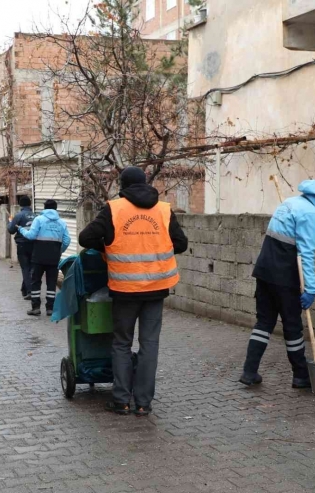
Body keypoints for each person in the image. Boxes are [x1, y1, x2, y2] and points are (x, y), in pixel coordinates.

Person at [79, 167, 188, 417]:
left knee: (121, 343)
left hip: (125, 289)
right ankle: (143, 403)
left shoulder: (114, 209)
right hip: (156, 289)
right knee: (150, 344)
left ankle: (121, 401)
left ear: (123, 185)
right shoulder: (163, 209)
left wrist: (109, 244)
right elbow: (181, 243)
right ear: (145, 183)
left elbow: (86, 238)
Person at [240, 180, 315, 389]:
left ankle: (249, 372)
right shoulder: (310, 214)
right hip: (284, 277)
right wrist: (311, 289)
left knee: (264, 323)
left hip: (264, 271)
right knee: (293, 327)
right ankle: (300, 376)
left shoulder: (290, 202)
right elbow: (306, 254)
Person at [18, 199, 71, 317]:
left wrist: (21, 230)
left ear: (44, 208)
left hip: (38, 256)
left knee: (36, 281)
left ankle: (36, 308)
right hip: (54, 257)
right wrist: (59, 251)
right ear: (56, 209)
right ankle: (50, 309)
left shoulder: (39, 220)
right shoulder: (62, 223)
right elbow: (67, 240)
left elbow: (31, 236)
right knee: (51, 283)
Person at [7, 196, 36, 300]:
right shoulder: (36, 216)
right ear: (30, 204)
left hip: (22, 245)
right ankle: (25, 289)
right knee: (31, 268)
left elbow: (11, 230)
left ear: (20, 205)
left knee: (25, 268)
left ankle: (30, 291)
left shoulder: (18, 216)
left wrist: (10, 221)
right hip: (34, 245)